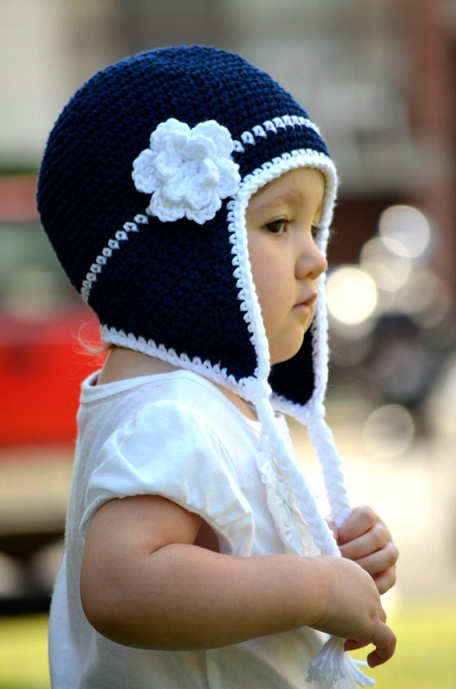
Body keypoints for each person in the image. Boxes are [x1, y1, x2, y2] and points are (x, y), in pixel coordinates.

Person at [37, 46, 398, 689]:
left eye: (316, 226)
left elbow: (221, 569)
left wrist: (330, 560)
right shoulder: (173, 411)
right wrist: (312, 586)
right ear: (181, 258)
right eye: (280, 223)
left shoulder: (202, 402)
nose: (315, 257)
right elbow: (125, 586)